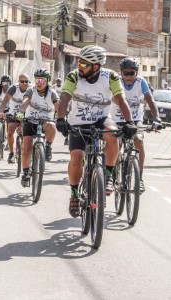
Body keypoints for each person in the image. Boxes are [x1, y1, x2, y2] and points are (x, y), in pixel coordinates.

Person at [56, 45, 137, 218]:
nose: (80, 67)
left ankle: (108, 174)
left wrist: (130, 122)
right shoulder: (74, 76)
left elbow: (120, 100)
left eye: (85, 64)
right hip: (77, 122)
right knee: (77, 156)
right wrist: (60, 118)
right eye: (80, 63)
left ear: (96, 66)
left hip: (101, 119)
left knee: (113, 134)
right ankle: (75, 194)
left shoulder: (111, 77)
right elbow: (64, 98)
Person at [112, 57, 162, 193]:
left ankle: (139, 178)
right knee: (118, 144)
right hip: (117, 120)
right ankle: (114, 173)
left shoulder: (141, 82)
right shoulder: (116, 82)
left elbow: (150, 101)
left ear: (136, 73)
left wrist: (156, 118)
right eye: (125, 73)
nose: (129, 76)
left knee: (139, 140)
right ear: (121, 73)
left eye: (132, 73)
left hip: (135, 120)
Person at [16, 68, 58, 187]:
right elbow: (25, 102)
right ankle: (25, 173)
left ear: (47, 81)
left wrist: (62, 117)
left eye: (42, 81)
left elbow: (58, 106)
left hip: (45, 121)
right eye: (37, 80)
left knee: (52, 126)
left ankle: (48, 146)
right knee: (27, 147)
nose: (39, 83)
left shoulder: (52, 92)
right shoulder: (31, 90)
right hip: (31, 121)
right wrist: (21, 112)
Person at [0, 73, 31, 163]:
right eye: (22, 81)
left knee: (27, 134)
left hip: (25, 113)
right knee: (10, 131)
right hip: (13, 113)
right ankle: (11, 153)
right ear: (18, 82)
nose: (24, 83)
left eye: (26, 81)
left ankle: (28, 152)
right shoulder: (13, 88)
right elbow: (5, 101)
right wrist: (1, 112)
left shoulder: (31, 89)